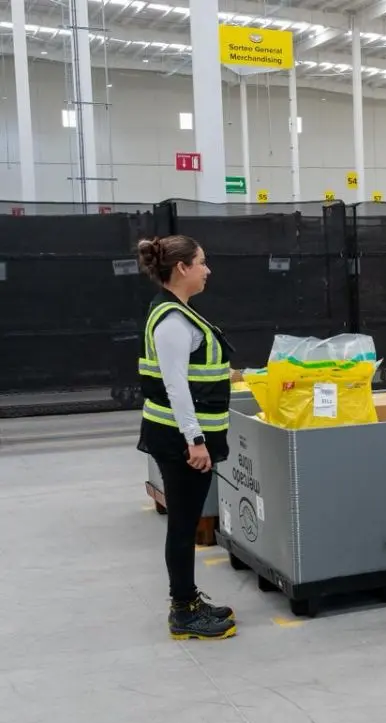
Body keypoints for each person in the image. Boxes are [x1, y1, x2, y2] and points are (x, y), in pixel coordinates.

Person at [136, 235, 237, 641]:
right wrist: (195, 441)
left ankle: (189, 600)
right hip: (181, 441)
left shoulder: (180, 313)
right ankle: (183, 611)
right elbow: (175, 385)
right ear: (182, 268)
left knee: (184, 520)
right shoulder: (173, 321)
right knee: (182, 524)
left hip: (180, 437)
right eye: (201, 262)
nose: (207, 270)